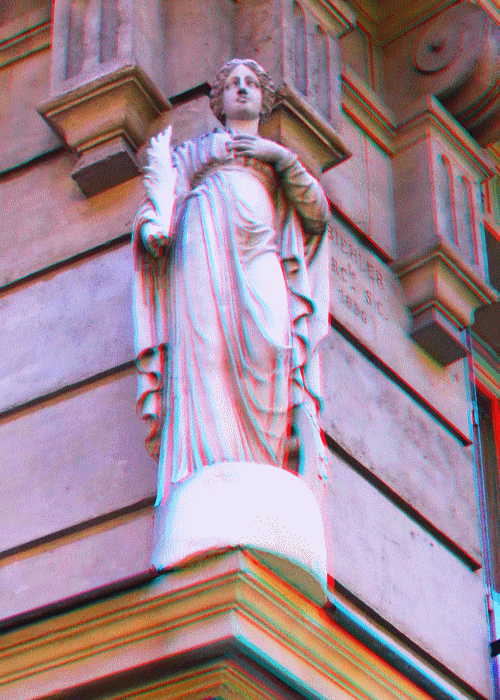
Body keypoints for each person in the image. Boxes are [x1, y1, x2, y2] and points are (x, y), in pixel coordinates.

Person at [133, 58, 331, 506]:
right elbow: (163, 193)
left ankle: (264, 463)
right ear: (219, 101)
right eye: (233, 84)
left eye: (250, 84)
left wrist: (280, 158)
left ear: (263, 98)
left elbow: (317, 213)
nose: (242, 89)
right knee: (206, 348)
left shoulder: (276, 162)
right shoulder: (196, 151)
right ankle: (208, 468)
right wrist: (154, 228)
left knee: (274, 344)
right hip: (204, 237)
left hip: (260, 248)